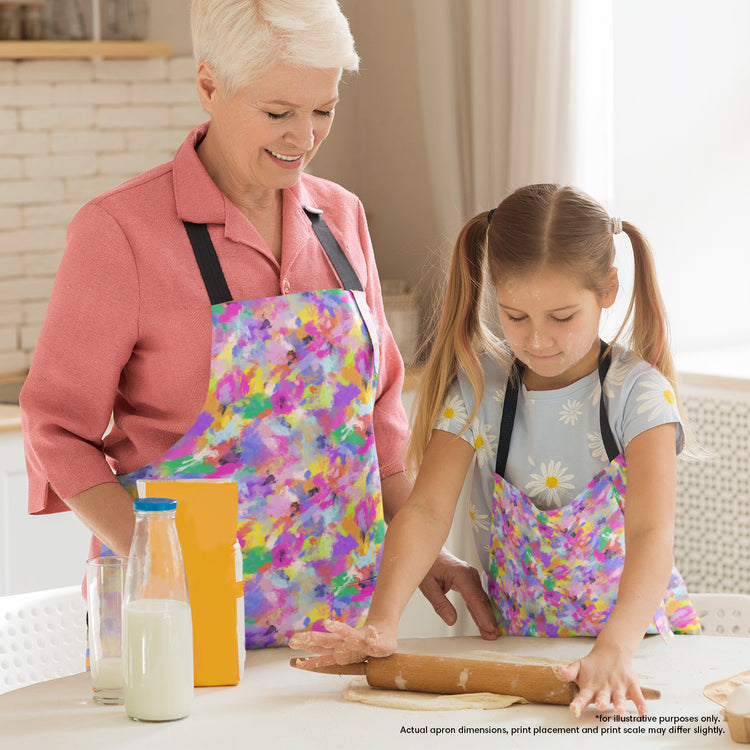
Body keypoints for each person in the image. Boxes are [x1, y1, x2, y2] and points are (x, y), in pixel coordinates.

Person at [20, 0, 495, 649]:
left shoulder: (341, 218)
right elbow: (56, 429)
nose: (303, 136)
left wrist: (417, 549)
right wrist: (155, 558)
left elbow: (379, 413)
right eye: (278, 113)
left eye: (323, 110)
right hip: (178, 625)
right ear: (209, 84)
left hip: (341, 631)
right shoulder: (121, 233)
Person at [290, 183, 701, 714]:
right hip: (522, 659)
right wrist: (383, 622)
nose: (537, 340)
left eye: (562, 317)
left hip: (633, 658)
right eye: (515, 316)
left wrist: (615, 649)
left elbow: (651, 535)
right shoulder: (482, 387)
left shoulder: (638, 397)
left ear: (608, 290)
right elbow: (427, 511)